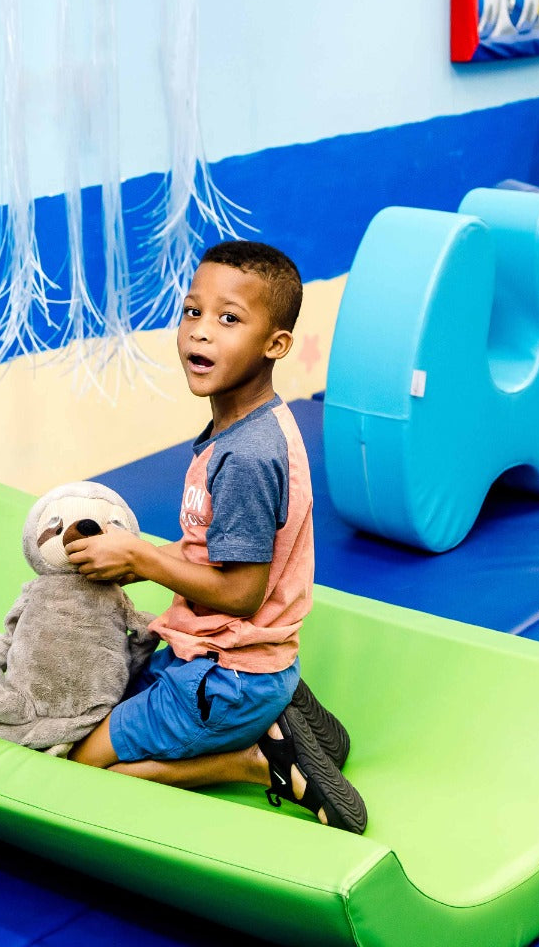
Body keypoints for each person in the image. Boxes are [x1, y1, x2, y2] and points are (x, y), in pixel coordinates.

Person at [66, 240, 366, 832]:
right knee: (110, 695)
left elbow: (240, 594)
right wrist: (155, 557)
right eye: (192, 312)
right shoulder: (242, 427)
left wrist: (143, 558)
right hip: (222, 660)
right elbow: (216, 548)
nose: (200, 333)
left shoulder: (249, 456)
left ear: (276, 345)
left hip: (224, 675)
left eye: (229, 319)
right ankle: (275, 701)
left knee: (83, 765)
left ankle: (258, 759)